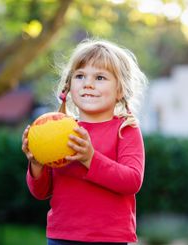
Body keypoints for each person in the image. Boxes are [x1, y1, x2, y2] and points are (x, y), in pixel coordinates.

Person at [22, 39, 147, 245]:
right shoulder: (60, 130)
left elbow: (132, 181)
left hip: (108, 239)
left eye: (99, 77)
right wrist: (37, 163)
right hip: (61, 236)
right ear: (69, 86)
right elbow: (41, 192)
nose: (88, 83)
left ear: (120, 90)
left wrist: (90, 158)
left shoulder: (126, 129)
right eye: (80, 76)